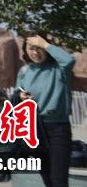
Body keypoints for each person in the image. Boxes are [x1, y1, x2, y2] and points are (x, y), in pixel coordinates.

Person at [17, 35, 75, 187]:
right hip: (34, 129)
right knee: (47, 178)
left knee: (59, 180)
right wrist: (20, 96)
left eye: (39, 48)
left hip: (58, 129)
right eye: (31, 48)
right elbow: (18, 93)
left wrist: (45, 43)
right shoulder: (24, 71)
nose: (35, 53)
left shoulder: (59, 68)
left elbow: (69, 60)